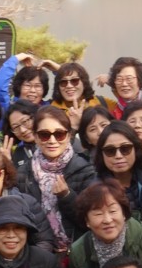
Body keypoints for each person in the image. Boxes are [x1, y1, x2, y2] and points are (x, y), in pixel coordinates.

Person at [14, 105, 95, 251]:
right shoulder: (23, 173)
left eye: (59, 134)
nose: (52, 141)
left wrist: (67, 196)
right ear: (36, 137)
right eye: (44, 135)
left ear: (69, 135)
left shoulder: (86, 170)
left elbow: (90, 220)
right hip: (40, 253)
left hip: (80, 250)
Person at [92, 121, 142, 214]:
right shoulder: (96, 189)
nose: (118, 156)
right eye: (110, 151)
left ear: (136, 148)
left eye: (125, 148)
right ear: (101, 154)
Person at [89, 56, 142, 121]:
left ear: (139, 80)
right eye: (119, 79)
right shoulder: (113, 117)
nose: (124, 84)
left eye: (129, 79)